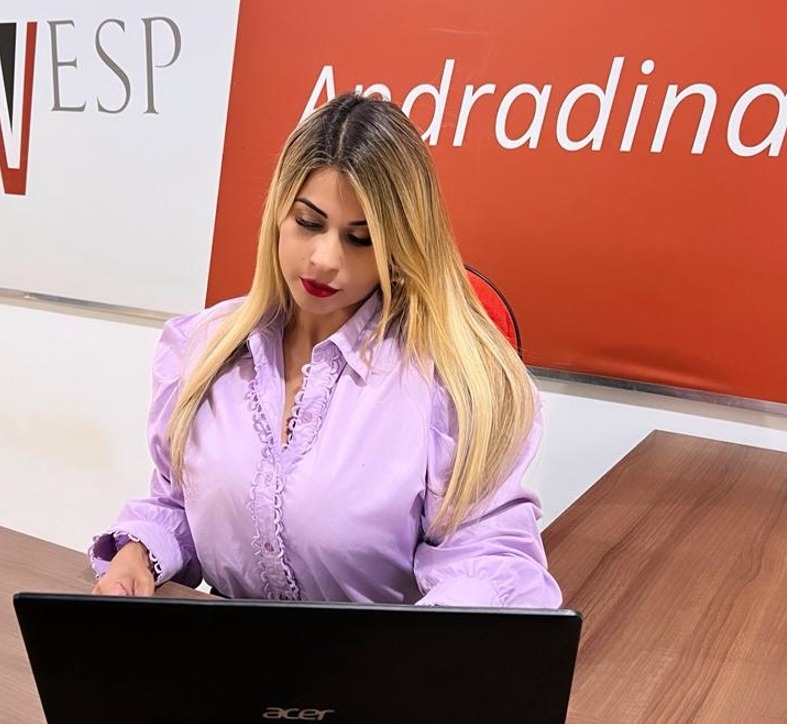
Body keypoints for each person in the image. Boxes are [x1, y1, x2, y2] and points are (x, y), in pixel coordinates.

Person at [89, 91, 562, 608]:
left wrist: (426, 640)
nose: (324, 259)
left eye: (360, 238)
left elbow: (489, 560)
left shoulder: (448, 383)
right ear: (278, 212)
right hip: (221, 650)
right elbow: (178, 504)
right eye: (309, 223)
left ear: (399, 245)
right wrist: (140, 552)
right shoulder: (202, 349)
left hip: (378, 656)